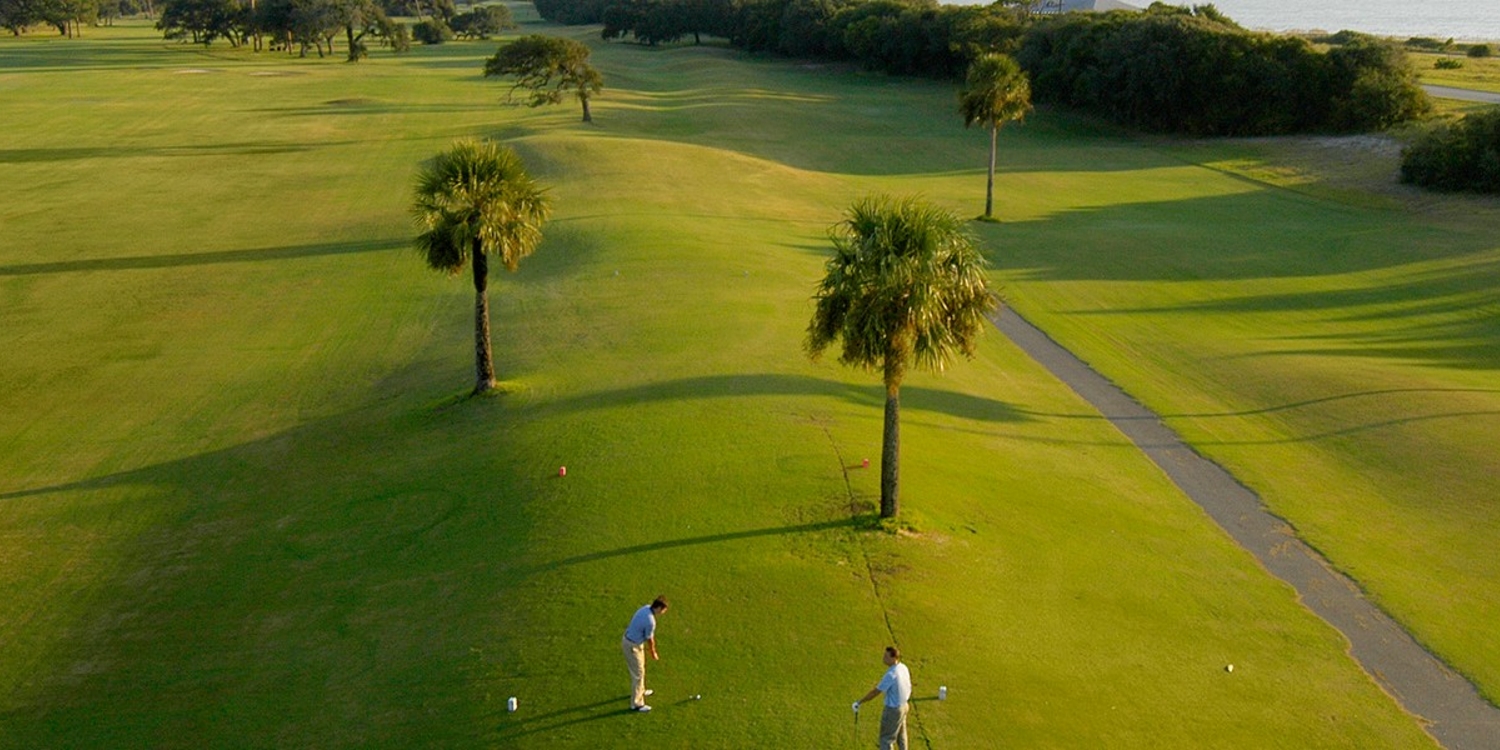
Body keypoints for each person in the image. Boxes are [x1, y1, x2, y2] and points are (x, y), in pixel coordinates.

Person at [854, 646, 911, 750]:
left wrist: (860, 702)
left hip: (893, 710)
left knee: (886, 739)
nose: (883, 658)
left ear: (894, 658)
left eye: (886, 656)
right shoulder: (903, 667)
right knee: (901, 734)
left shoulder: (891, 674)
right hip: (904, 706)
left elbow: (876, 692)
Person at [622, 596, 668, 712]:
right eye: (663, 609)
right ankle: (637, 704)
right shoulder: (650, 621)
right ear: (658, 608)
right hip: (632, 646)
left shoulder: (645, 608)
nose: (663, 612)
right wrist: (653, 652)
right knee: (638, 674)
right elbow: (650, 639)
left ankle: (641, 690)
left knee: (641, 669)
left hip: (632, 642)